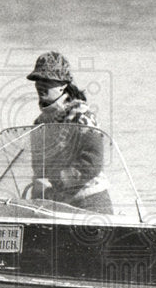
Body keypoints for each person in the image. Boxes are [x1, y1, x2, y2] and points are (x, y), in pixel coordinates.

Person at [25, 51, 113, 213]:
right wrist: (37, 192)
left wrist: (57, 180)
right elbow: (39, 168)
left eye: (47, 80)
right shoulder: (40, 123)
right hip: (57, 205)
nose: (40, 85)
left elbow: (92, 162)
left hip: (89, 202)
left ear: (63, 85)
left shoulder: (81, 115)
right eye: (37, 80)